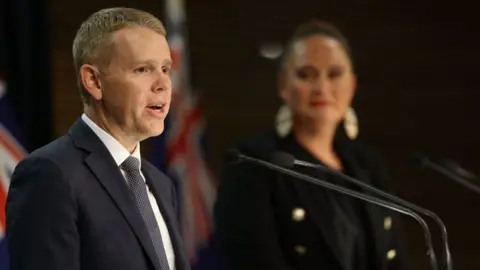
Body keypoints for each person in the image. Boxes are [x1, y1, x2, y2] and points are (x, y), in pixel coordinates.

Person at [214, 20, 409, 270]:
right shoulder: (252, 162)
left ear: (352, 86)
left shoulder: (369, 164)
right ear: (283, 84)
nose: (322, 87)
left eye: (334, 74)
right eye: (306, 75)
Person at [6, 7, 189, 270]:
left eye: (165, 69)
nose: (163, 84)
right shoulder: (50, 175)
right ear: (94, 81)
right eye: (142, 69)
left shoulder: (161, 184)